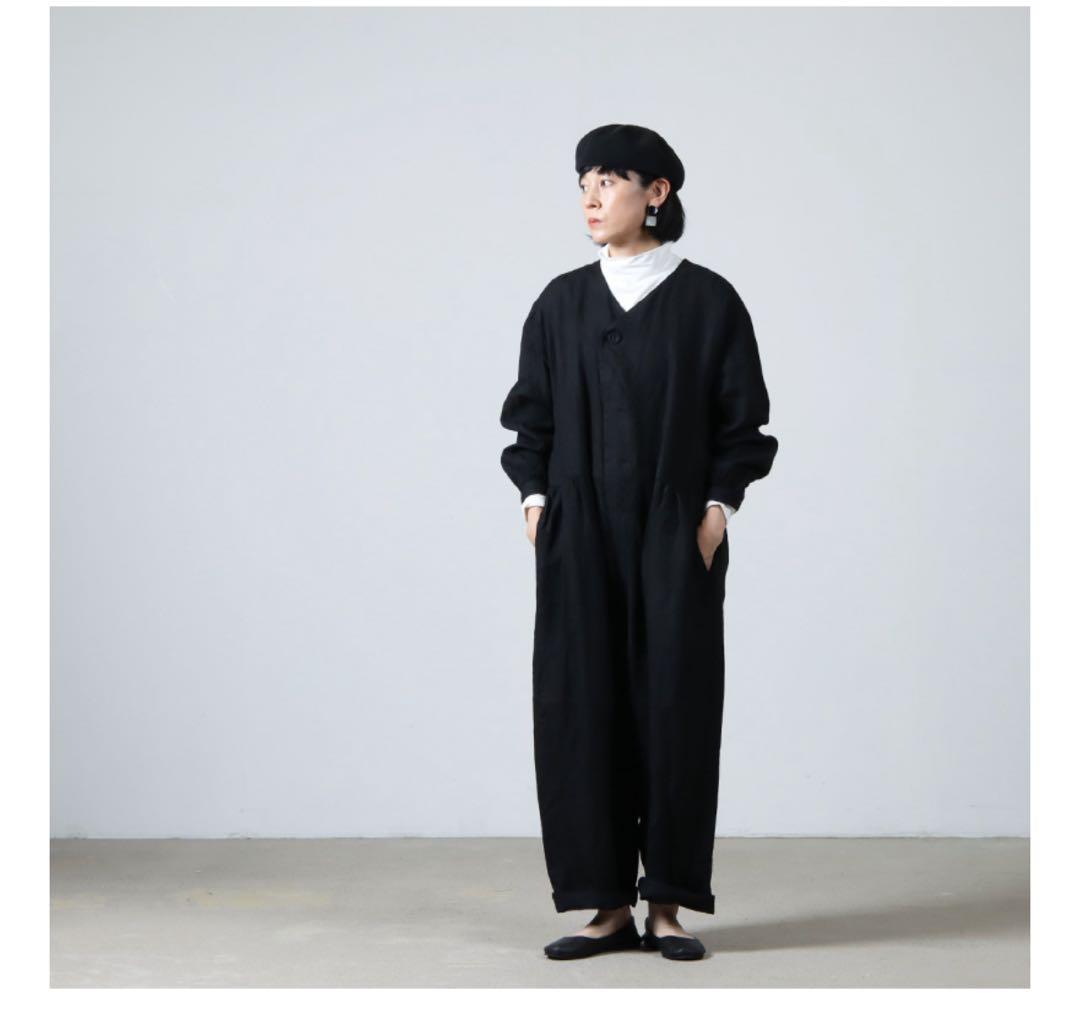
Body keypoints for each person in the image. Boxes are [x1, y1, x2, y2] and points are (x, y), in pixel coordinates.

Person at [499, 124, 779, 961]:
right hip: (578, 534)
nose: (591, 197)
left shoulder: (708, 301)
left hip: (672, 532)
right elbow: (531, 419)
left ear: (656, 192)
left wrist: (715, 511)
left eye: (609, 180)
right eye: (583, 181)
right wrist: (538, 504)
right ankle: (604, 906)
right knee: (579, 706)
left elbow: (743, 424)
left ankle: (668, 905)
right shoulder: (560, 303)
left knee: (675, 706)